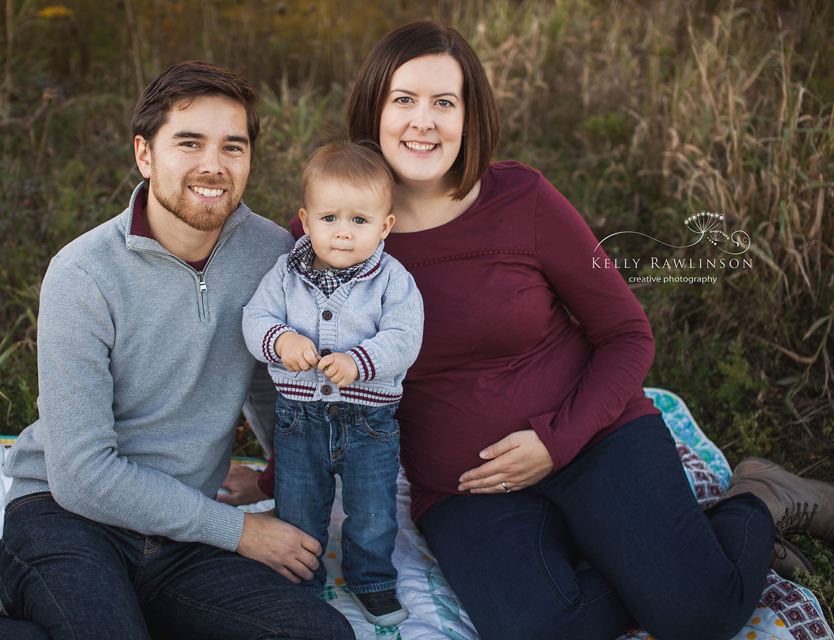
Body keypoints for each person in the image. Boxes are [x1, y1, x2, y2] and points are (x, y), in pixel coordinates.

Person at [223, 21, 834, 640]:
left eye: (444, 102)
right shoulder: (330, 232)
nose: (422, 121)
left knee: (700, 614)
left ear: (471, 114)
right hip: (467, 488)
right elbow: (311, 379)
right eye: (403, 99)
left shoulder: (524, 199)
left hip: (593, 438)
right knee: (539, 631)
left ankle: (757, 498)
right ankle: (650, 561)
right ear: (373, 110)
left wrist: (555, 441)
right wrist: (272, 479)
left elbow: (627, 333)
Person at [0, 61, 355, 640]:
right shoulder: (83, 274)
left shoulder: (271, 254)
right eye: (189, 143)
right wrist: (238, 531)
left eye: (234, 146)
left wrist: (285, 481)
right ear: (144, 154)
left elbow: (273, 388)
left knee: (323, 635)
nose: (214, 165)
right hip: (65, 519)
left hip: (180, 536)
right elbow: (81, 475)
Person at [241, 141, 423, 627]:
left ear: (385, 225)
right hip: (299, 421)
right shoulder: (284, 274)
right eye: (329, 219)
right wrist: (279, 341)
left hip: (370, 423)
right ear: (306, 219)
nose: (343, 233)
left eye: (360, 221)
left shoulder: (392, 281)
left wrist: (360, 361)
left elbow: (405, 337)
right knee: (299, 505)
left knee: (372, 511)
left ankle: (372, 580)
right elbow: (254, 318)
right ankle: (300, 579)